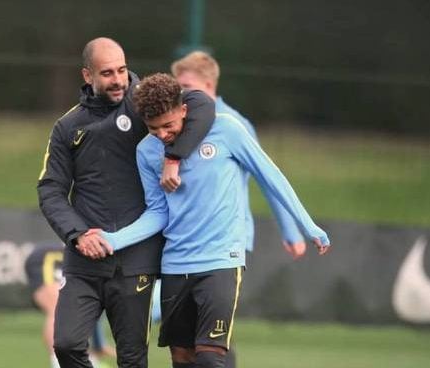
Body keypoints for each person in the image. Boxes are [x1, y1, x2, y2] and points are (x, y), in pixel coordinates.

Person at [101, 73, 331, 368]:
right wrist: (113, 239)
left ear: (183, 110)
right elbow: (157, 213)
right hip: (175, 265)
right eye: (153, 128)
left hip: (221, 261)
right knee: (182, 358)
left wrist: (307, 224)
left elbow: (270, 175)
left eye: (168, 125)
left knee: (211, 358)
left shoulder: (227, 130)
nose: (162, 134)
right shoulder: (146, 151)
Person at [37, 37, 215, 368]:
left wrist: (174, 157)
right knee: (66, 345)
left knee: (132, 360)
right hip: (84, 262)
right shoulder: (67, 127)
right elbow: (50, 189)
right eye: (107, 73)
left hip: (136, 262)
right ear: (87, 76)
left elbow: (202, 105)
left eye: (122, 69)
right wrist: (78, 235)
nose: (119, 79)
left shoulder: (145, 102)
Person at [171, 50, 306, 260]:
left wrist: (290, 231)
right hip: (186, 238)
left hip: (228, 240)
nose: (180, 93)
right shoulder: (175, 125)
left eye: (186, 86)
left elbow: (267, 178)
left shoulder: (234, 124)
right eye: (177, 86)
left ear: (208, 85)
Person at [24, 244, 115, 368]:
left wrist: (99, 345)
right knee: (57, 307)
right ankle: (60, 364)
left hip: (86, 261)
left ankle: (87, 358)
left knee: (90, 305)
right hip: (58, 253)